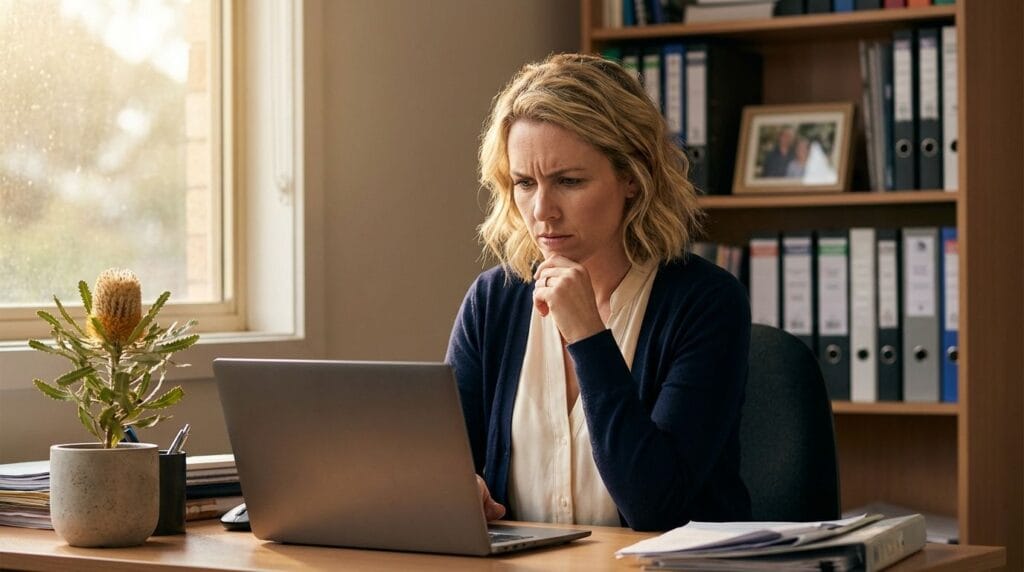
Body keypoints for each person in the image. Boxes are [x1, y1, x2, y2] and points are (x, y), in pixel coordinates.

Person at [445, 53, 751, 532]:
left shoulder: (707, 303)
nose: (542, 210)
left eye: (569, 181)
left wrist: (588, 336)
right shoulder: (493, 302)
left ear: (632, 177)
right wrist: (464, 490)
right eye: (525, 183)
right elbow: (447, 464)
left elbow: (657, 507)